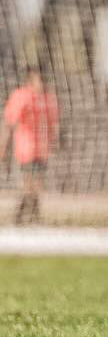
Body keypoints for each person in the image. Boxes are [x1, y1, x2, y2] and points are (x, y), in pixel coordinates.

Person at [2, 69, 59, 225]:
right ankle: (24, 216)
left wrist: (54, 142)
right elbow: (8, 123)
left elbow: (53, 124)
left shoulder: (48, 98)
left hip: (42, 149)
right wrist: (3, 146)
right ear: (29, 80)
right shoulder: (21, 96)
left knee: (37, 185)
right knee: (29, 184)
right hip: (25, 149)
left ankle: (28, 216)